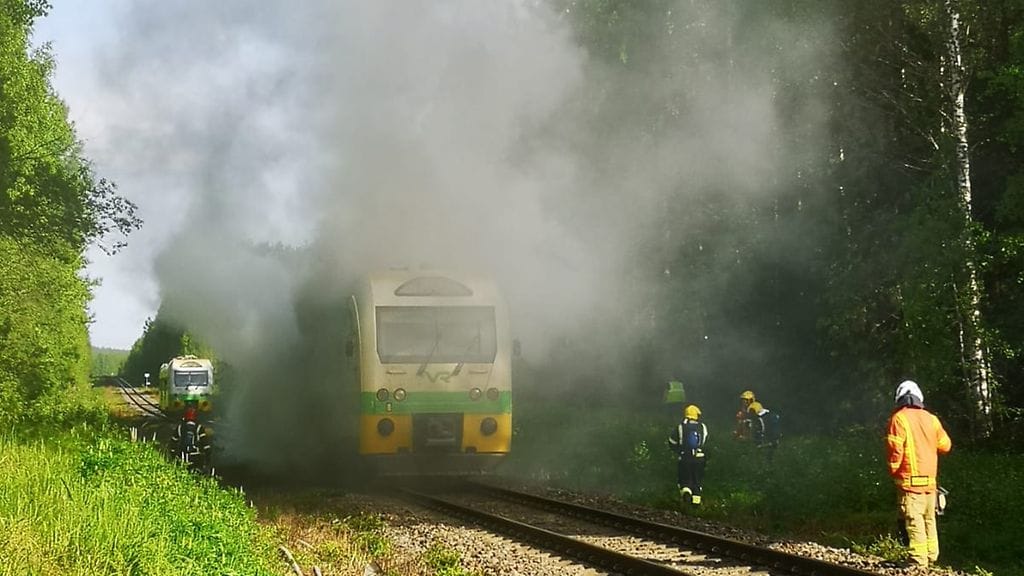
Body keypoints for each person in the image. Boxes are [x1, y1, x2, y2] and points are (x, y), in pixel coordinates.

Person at [886, 380, 952, 567]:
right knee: (929, 520)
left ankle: (917, 561)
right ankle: (931, 557)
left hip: (910, 483)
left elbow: (895, 451)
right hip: (930, 484)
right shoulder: (932, 419)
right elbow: (945, 446)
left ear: (899, 398)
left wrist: (893, 471)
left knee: (914, 521)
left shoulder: (899, 419)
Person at [668, 404, 708, 505]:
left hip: (685, 458)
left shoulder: (680, 427)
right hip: (699, 459)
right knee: (697, 482)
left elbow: (672, 442)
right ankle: (696, 505)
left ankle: (686, 493)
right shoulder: (702, 427)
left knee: (684, 480)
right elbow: (706, 442)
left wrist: (678, 451)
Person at [171, 403, 211, 469]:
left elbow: (173, 442)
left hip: (183, 455)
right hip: (196, 457)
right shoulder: (199, 428)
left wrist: (173, 454)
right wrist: (207, 458)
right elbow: (205, 444)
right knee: (197, 472)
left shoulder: (180, 427)